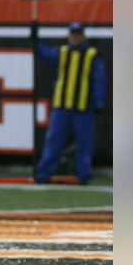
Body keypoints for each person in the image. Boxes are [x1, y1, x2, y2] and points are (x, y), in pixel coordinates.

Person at [35, 23, 107, 185]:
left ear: (83, 36)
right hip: (62, 107)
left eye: (78, 34)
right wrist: (35, 40)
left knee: (84, 144)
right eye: (73, 34)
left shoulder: (91, 55)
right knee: (54, 141)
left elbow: (99, 80)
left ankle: (84, 175)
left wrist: (99, 100)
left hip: (83, 107)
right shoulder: (62, 53)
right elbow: (44, 55)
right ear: (69, 36)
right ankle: (44, 173)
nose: (75, 37)